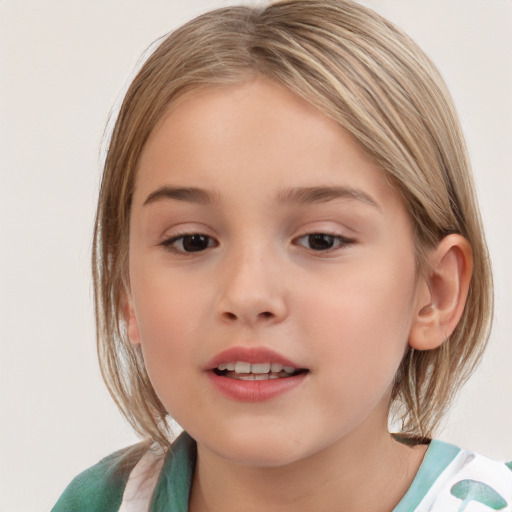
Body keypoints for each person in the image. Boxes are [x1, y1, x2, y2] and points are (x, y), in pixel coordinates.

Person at [52, 0, 512, 510]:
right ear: (128, 293)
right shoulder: (100, 501)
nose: (248, 296)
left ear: (436, 292)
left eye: (321, 240)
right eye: (192, 241)